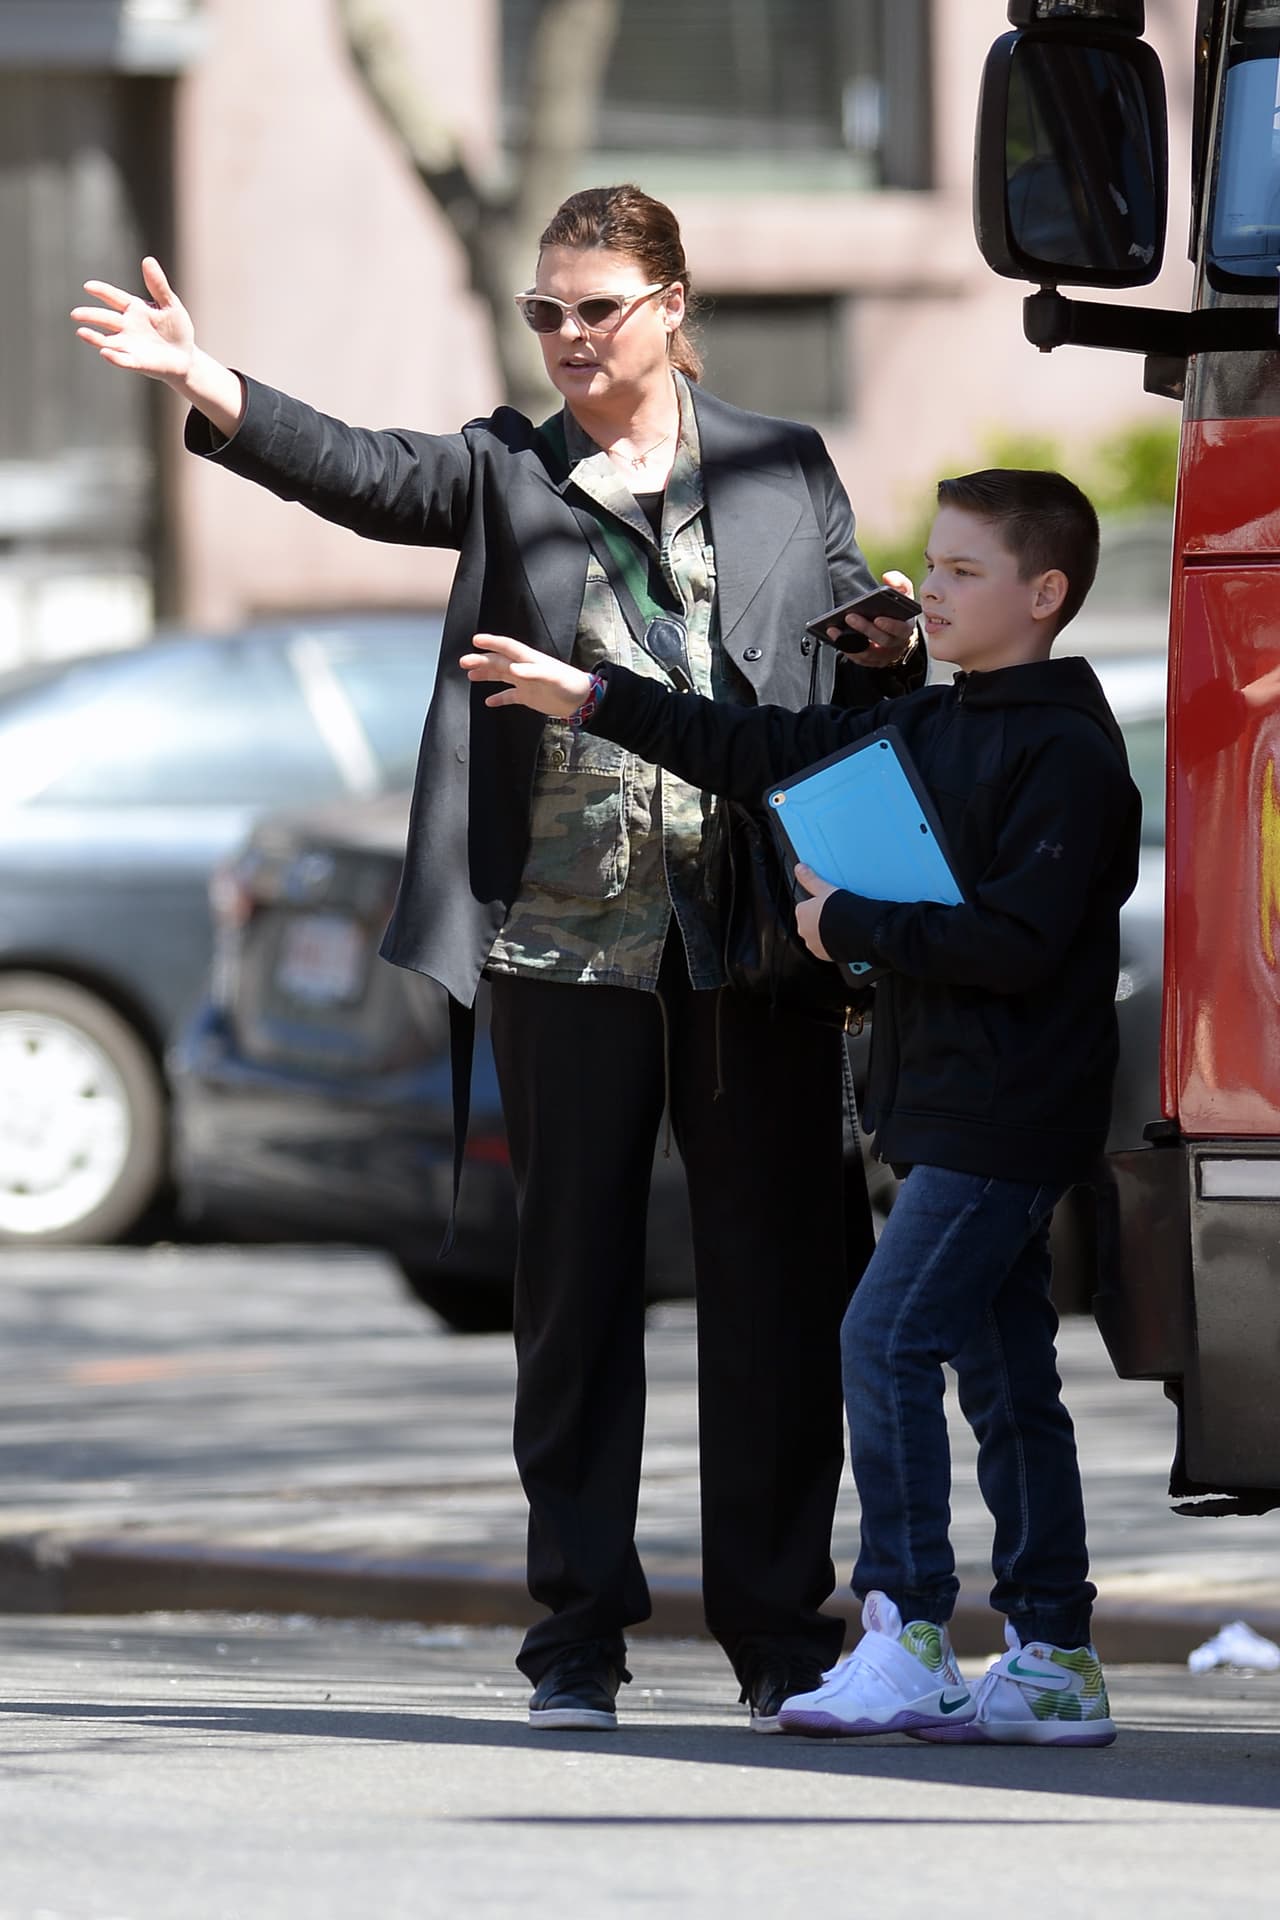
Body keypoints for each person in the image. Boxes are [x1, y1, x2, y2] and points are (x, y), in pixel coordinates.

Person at [72, 185, 924, 1733]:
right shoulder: (507, 470)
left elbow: (845, 648)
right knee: (574, 1295)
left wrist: (893, 645)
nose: (571, 337)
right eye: (548, 311)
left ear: (672, 302)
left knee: (778, 1298)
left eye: (597, 307)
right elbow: (359, 471)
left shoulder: (782, 464)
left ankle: (781, 1640)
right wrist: (213, 386)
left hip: (753, 952)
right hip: (561, 950)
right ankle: (576, 1641)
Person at [461, 466, 1142, 1747]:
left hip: (1005, 1116)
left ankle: (908, 1631)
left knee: (880, 1341)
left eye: (959, 573)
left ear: (1042, 594)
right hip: (941, 1107)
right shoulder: (933, 723)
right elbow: (750, 747)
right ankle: (1051, 1655)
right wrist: (594, 696)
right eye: (927, 567)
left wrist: (846, 926)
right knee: (1001, 1378)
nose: (922, 590)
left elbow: (1017, 939)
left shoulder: (1063, 744)